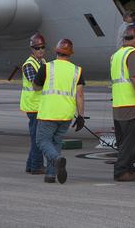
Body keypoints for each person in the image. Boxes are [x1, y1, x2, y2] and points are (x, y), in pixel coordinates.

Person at [33, 38, 86, 184]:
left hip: (49, 112)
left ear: (56, 51)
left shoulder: (47, 67)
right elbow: (80, 94)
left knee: (42, 140)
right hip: (66, 114)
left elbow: (36, 87)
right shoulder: (77, 70)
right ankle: (50, 175)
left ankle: (56, 160)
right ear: (70, 54)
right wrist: (81, 116)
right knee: (56, 142)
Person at [111, 28, 135, 182]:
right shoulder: (133, 54)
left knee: (123, 141)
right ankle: (121, 171)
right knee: (130, 142)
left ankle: (129, 168)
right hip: (132, 106)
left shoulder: (116, 55)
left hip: (119, 105)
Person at [20, 32, 48, 175]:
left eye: (42, 47)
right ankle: (37, 166)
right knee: (38, 138)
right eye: (37, 48)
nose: (41, 50)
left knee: (36, 137)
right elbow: (36, 83)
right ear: (32, 49)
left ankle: (30, 165)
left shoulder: (42, 62)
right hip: (33, 106)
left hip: (40, 105)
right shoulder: (29, 65)